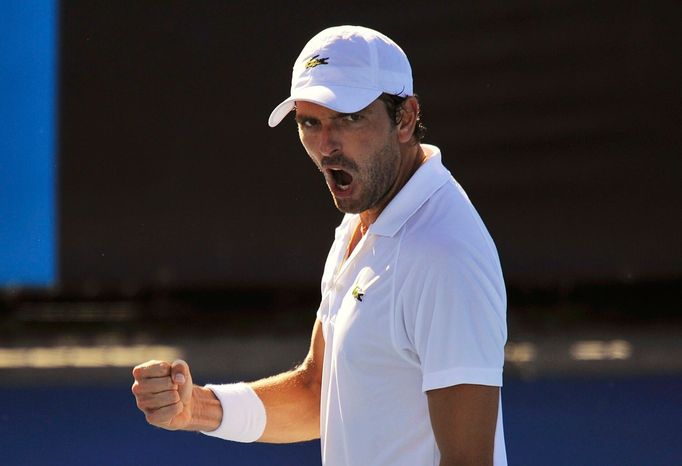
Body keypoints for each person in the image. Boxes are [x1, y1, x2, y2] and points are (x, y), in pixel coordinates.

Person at [132, 25, 508, 466]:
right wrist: (196, 407)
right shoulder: (359, 223)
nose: (326, 146)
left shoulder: (444, 255)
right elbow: (319, 393)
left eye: (349, 119)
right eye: (310, 122)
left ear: (404, 118)